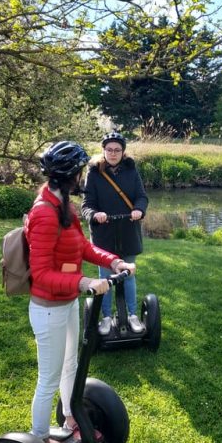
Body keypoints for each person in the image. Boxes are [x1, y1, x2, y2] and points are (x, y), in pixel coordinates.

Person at [25, 140, 135, 443]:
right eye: (80, 171)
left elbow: (82, 247)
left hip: (67, 303)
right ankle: (39, 437)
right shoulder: (44, 214)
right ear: (71, 174)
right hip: (48, 308)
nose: (83, 177)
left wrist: (113, 260)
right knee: (48, 378)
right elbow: (41, 274)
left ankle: (71, 420)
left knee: (71, 365)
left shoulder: (65, 205)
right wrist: (83, 283)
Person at [81, 131, 148, 336]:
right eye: (109, 149)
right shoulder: (94, 172)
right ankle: (107, 317)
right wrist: (95, 214)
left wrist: (139, 209)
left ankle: (132, 315)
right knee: (106, 276)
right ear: (103, 150)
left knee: (127, 275)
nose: (112, 153)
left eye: (117, 150)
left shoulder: (131, 170)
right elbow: (86, 205)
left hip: (128, 229)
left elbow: (142, 197)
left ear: (123, 151)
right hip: (104, 233)